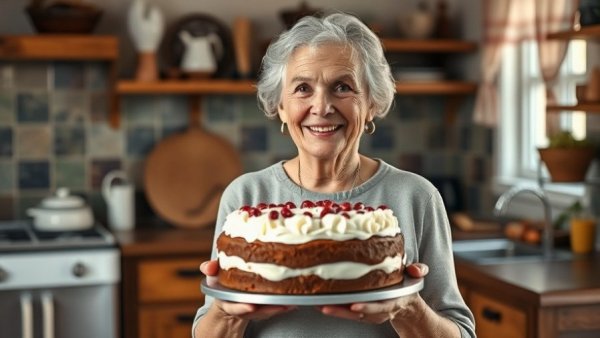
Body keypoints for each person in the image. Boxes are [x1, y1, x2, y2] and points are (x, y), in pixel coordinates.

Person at [192, 12, 475, 338]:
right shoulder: (246, 198)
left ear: (371, 103)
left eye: (342, 87)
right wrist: (227, 314)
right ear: (281, 107)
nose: (322, 106)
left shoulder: (415, 197)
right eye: (302, 88)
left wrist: (407, 308)